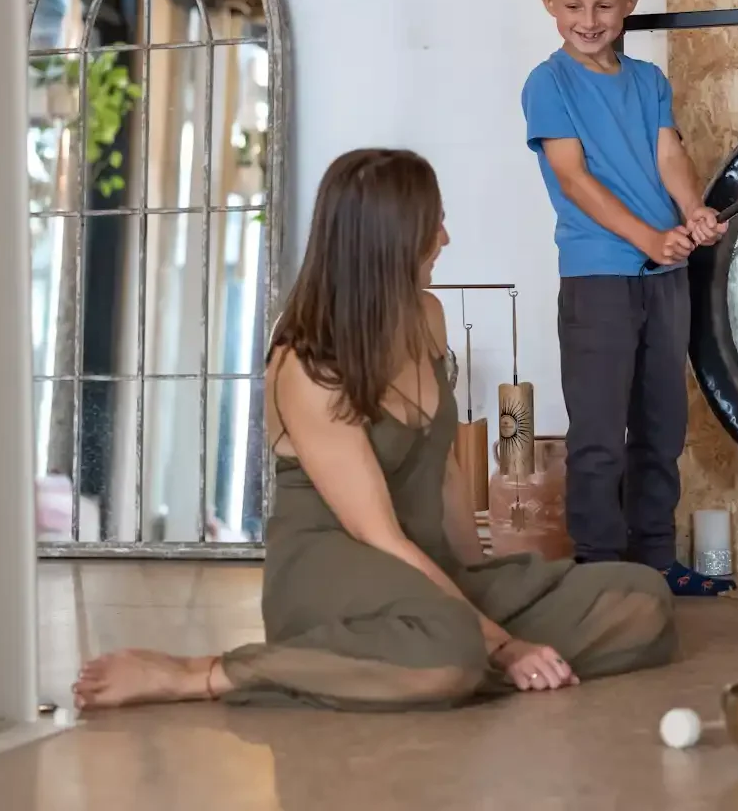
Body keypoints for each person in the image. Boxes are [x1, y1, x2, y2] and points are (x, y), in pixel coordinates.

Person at [72, 149, 677, 710]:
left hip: (425, 567)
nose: (445, 238)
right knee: (452, 648)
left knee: (639, 598)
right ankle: (206, 674)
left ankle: (409, 669)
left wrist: (481, 579)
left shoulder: (428, 315)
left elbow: (444, 473)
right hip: (340, 573)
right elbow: (378, 534)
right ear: (387, 244)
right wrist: (503, 643)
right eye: (431, 226)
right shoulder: (307, 363)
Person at [520, 0, 732, 596]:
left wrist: (692, 209)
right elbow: (576, 180)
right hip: (598, 280)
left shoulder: (648, 81)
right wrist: (647, 238)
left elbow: (667, 153)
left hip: (666, 280)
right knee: (599, 436)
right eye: (574, 5)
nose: (589, 20)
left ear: (630, 1)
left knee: (662, 429)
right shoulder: (547, 83)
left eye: (604, 5)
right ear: (548, 2)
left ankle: (655, 561)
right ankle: (601, 570)